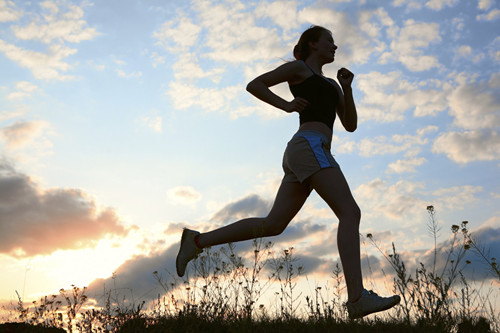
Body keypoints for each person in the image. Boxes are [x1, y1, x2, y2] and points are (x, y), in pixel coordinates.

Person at [175, 25, 400, 319]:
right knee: (350, 213)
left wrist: (347, 87)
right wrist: (287, 106)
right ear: (312, 44)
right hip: (308, 146)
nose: (335, 46)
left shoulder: (332, 85)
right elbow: (255, 84)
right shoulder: (299, 68)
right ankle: (357, 298)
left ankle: (196, 241)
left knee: (273, 224)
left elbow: (350, 124)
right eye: (329, 41)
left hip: (306, 151)